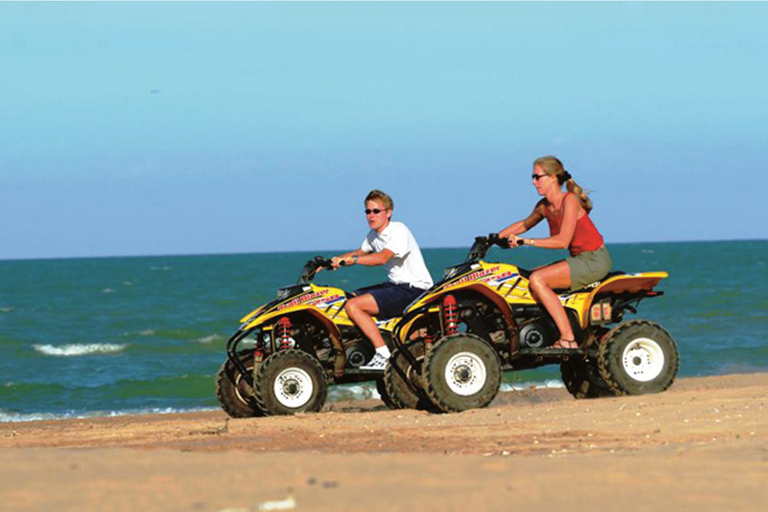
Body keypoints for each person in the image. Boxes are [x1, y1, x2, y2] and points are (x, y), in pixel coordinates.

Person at [499, 156, 611, 349]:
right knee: (522, 279)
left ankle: (568, 338)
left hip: (594, 260)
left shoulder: (570, 200)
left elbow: (562, 241)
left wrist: (526, 241)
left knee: (538, 280)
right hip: (579, 259)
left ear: (552, 178)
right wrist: (494, 237)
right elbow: (524, 224)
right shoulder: (544, 206)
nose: (534, 182)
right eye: (532, 177)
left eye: (537, 177)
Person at [331, 190, 433, 371]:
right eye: (367, 211)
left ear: (388, 212)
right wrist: (329, 262)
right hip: (395, 286)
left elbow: (382, 258)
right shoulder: (373, 235)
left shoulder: (398, 230)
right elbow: (358, 253)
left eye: (376, 211)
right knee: (345, 298)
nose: (371, 215)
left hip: (415, 290)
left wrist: (352, 260)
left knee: (354, 306)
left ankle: (382, 353)